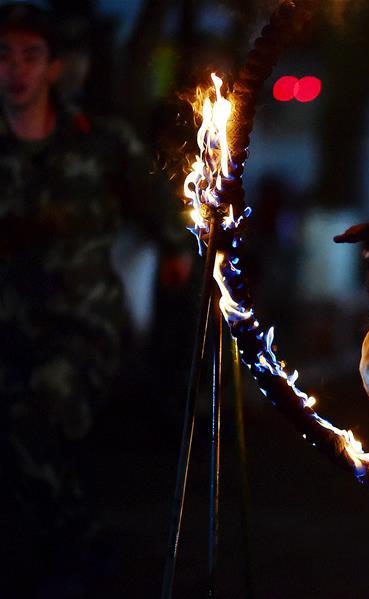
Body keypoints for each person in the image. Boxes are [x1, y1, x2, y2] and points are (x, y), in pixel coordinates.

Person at [0, 3, 188, 594]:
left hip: (81, 331)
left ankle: (81, 557)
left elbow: (160, 208)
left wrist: (176, 250)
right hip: (7, 334)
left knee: (39, 418)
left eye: (31, 56)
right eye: (4, 56)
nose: (16, 71)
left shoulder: (99, 142)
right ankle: (68, 557)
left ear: (54, 68)